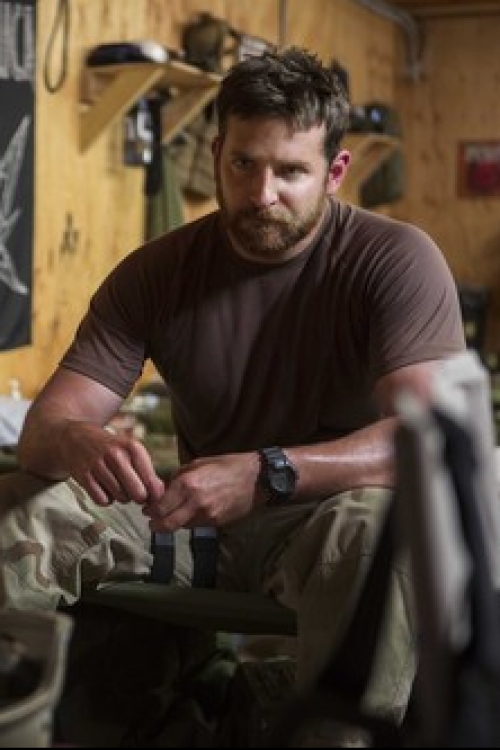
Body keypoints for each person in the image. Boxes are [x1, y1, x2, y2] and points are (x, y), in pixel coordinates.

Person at [0, 46, 465, 721]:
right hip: (194, 522)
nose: (261, 194)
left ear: (335, 172)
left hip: (327, 519)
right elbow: (44, 431)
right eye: (244, 164)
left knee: (383, 533)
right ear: (217, 152)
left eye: (290, 171)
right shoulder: (156, 272)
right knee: (19, 502)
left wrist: (267, 472)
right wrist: (79, 443)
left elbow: (426, 439)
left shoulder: (395, 260)